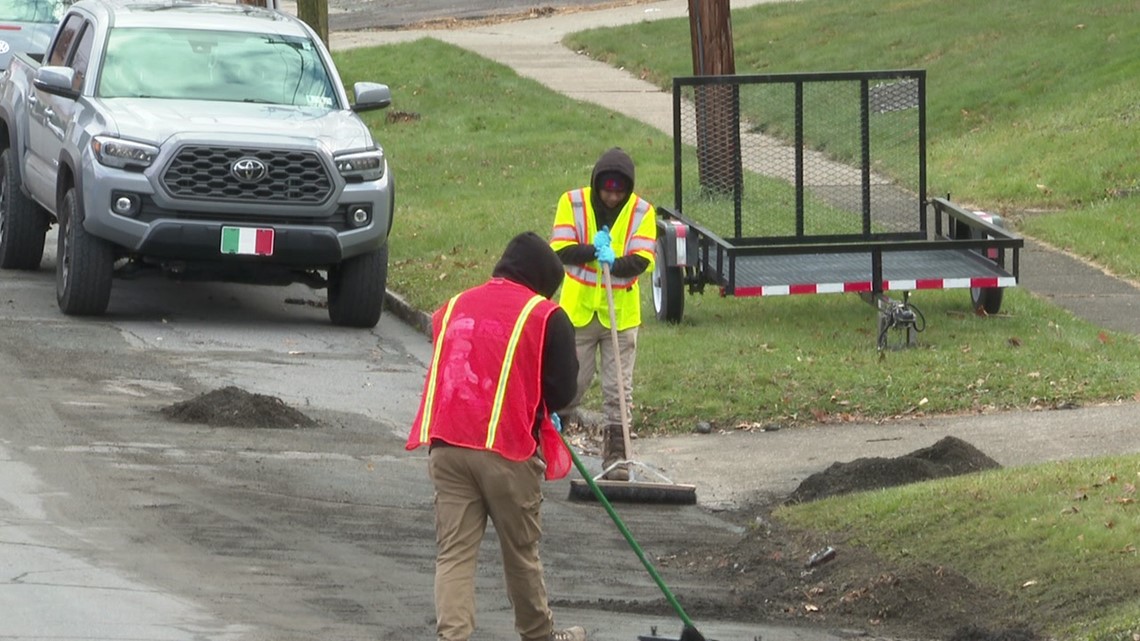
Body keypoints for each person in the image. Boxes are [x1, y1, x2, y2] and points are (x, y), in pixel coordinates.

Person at [406, 231, 586, 641]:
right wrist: (542, 409)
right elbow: (561, 391)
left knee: (454, 553)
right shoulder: (546, 316)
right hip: (507, 449)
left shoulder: (452, 307)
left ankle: (452, 637)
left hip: (447, 445)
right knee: (521, 555)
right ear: (543, 280)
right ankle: (539, 636)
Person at [549, 147, 657, 481]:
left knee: (618, 389)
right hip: (578, 315)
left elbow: (642, 260)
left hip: (620, 317)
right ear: (597, 184)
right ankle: (546, 445)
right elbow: (560, 251)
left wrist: (614, 261)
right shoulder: (573, 202)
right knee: (570, 384)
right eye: (607, 190)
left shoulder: (642, 211)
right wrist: (593, 251)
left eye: (618, 191)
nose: (612, 197)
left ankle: (617, 459)